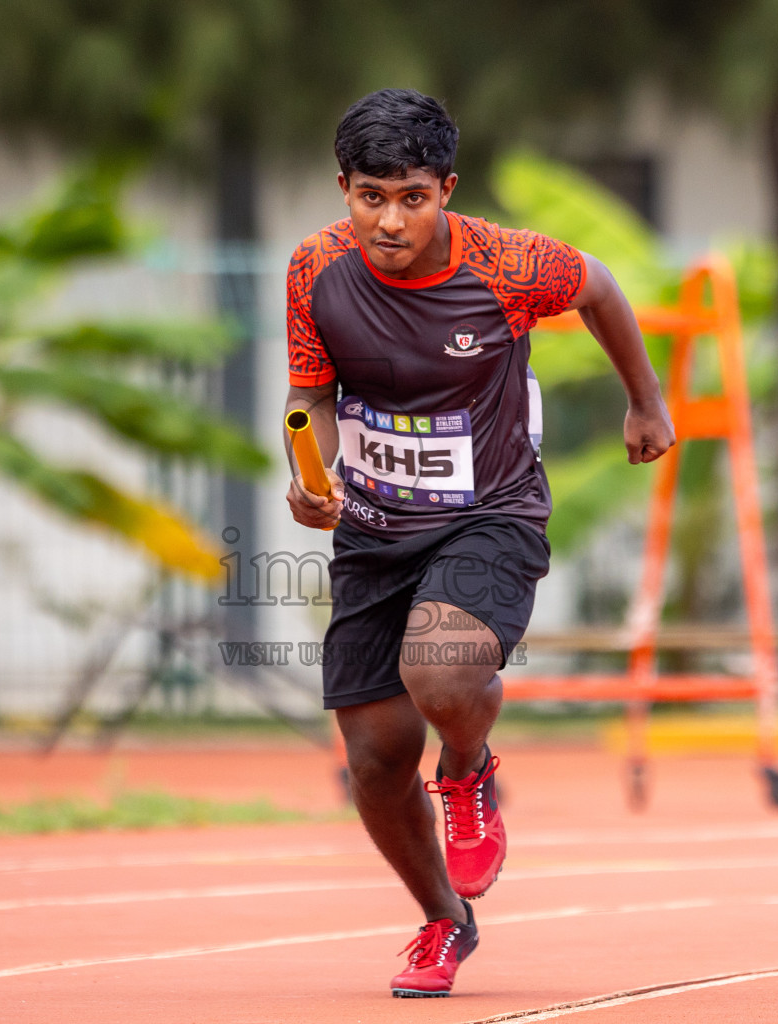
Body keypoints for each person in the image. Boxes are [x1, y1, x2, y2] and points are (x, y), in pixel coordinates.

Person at [283, 88, 674, 998]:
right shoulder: (314, 269)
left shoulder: (506, 263)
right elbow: (311, 399)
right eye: (370, 195)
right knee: (376, 760)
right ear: (343, 187)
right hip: (375, 534)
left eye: (412, 197)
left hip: (488, 515)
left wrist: (644, 399)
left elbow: (603, 286)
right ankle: (442, 923)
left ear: (446, 189)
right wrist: (308, 473)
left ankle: (469, 768)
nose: (390, 219)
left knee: (442, 671)